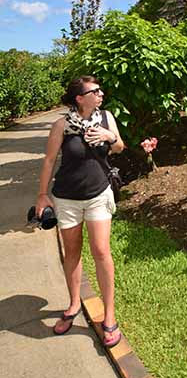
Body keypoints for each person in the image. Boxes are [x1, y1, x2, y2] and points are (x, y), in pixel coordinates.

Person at [35, 75, 125, 347]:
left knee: (101, 251)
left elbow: (120, 147)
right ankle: (74, 304)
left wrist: (110, 137)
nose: (100, 94)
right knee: (72, 252)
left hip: (98, 194)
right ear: (79, 98)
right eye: (94, 91)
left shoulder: (107, 117)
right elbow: (50, 160)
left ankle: (109, 316)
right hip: (67, 199)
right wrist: (42, 195)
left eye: (100, 90)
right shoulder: (62, 125)